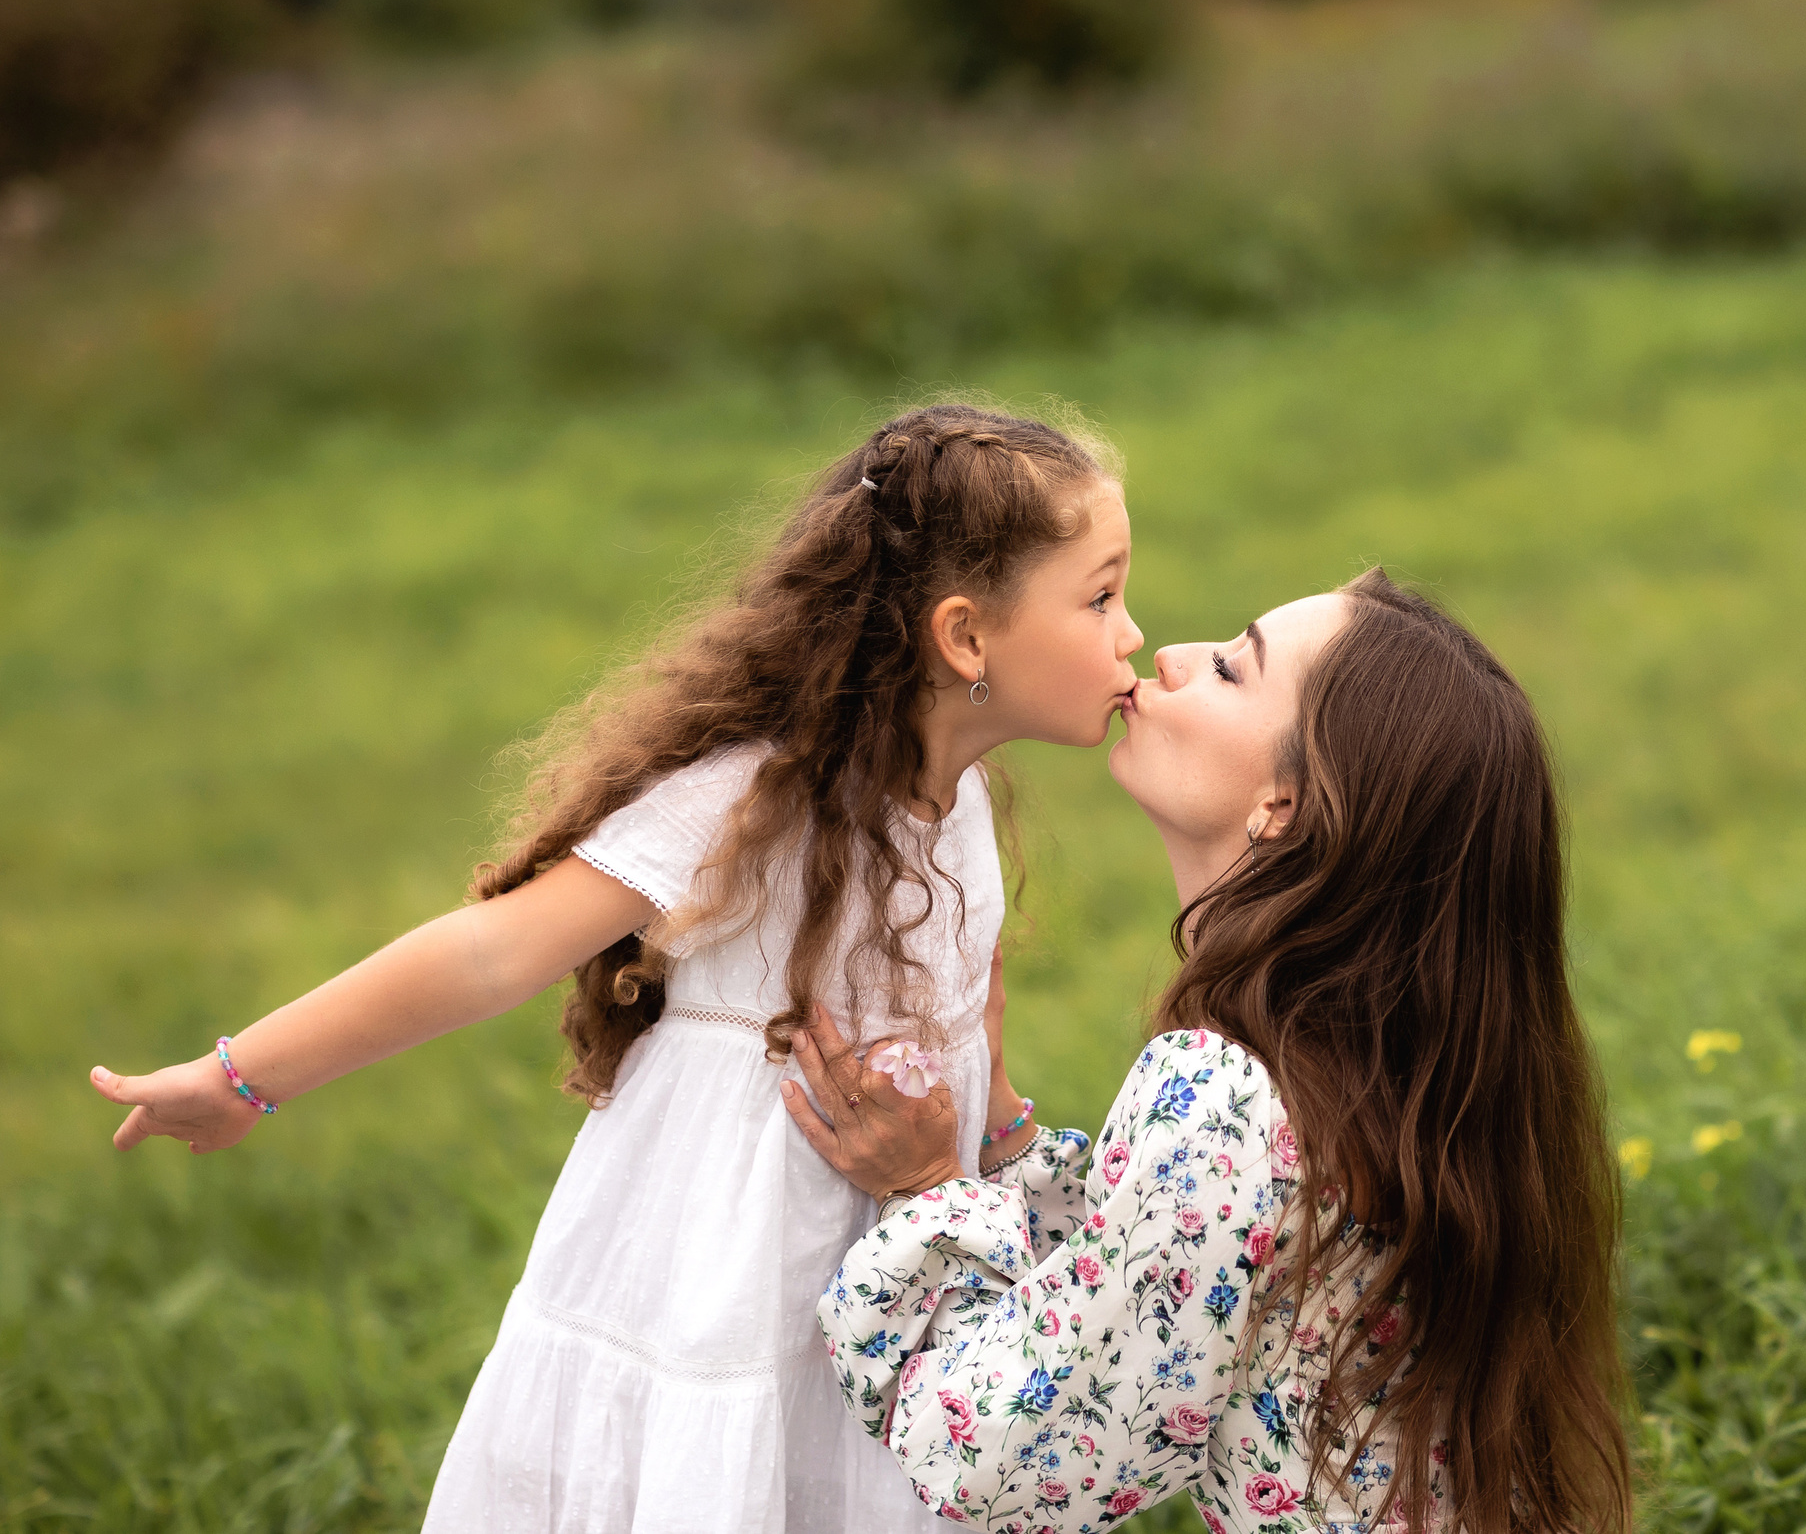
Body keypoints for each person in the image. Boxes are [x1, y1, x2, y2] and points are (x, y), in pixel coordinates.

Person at [85, 403, 1145, 1534]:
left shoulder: (963, 803)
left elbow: (966, 997)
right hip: (721, 1267)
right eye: (1100, 597)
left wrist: (990, 1149)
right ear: (966, 639)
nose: (1132, 634)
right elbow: (495, 949)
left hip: (893, 1277)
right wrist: (245, 1076)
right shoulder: (755, 796)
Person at [783, 570, 1631, 1534]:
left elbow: (1001, 1460)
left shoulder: (1225, 1087)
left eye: (1230, 669)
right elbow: (1169, 1296)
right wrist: (1001, 1124)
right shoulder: (1381, 1067)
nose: (1169, 656)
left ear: (1288, 805)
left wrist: (929, 1191)